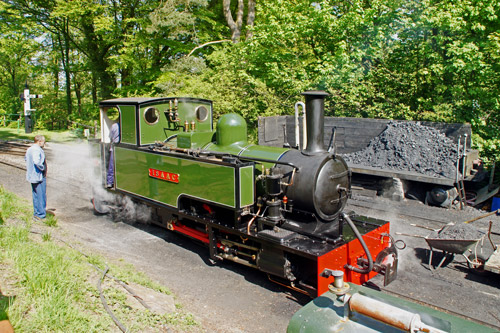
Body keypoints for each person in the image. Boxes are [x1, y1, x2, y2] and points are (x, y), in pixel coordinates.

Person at [25, 135, 47, 220]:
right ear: (40, 141)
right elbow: (36, 161)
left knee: (35, 195)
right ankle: (41, 215)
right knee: (41, 195)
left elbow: (26, 159)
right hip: (38, 176)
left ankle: (36, 213)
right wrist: (43, 168)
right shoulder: (37, 150)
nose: (44, 143)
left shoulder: (29, 149)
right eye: (43, 142)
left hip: (32, 175)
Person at [107, 117, 120, 187]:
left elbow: (110, 136)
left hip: (114, 148)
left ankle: (110, 182)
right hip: (122, 149)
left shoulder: (114, 126)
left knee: (111, 166)